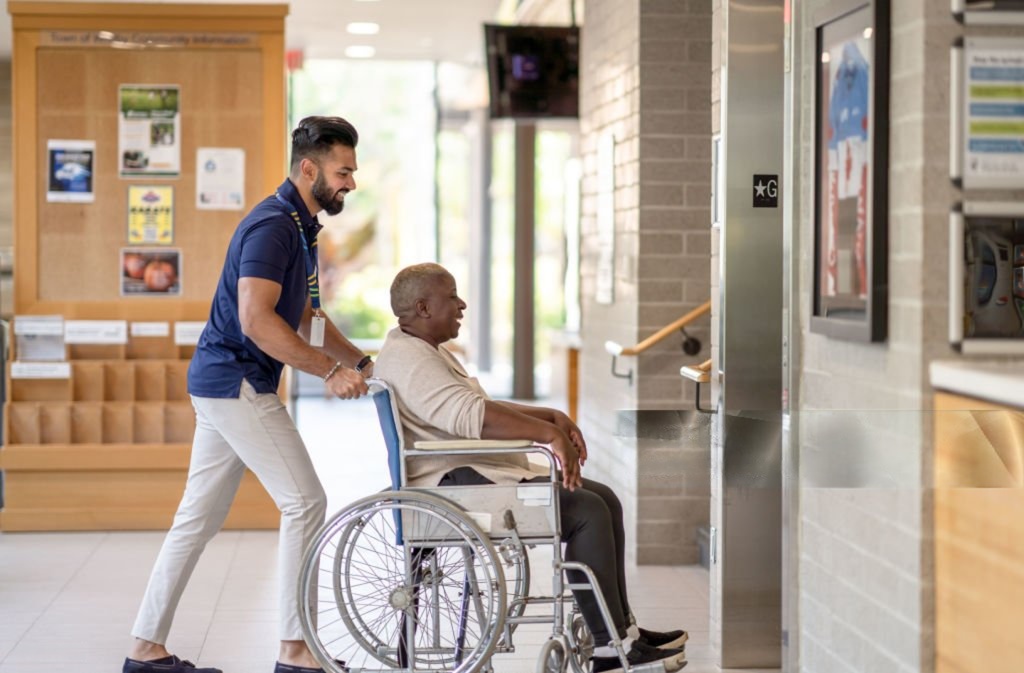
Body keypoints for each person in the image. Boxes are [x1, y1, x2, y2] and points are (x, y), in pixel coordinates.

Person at [124, 116, 375, 673]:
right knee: (305, 500)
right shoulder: (273, 228)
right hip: (237, 381)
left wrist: (358, 360)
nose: (350, 183)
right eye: (343, 171)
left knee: (197, 520)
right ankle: (295, 650)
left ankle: (144, 651)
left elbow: (307, 316)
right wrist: (329, 373)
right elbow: (258, 321)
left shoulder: (301, 227)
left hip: (222, 384)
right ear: (308, 169)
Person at [373, 263, 689, 673]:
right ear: (423, 307)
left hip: (468, 473)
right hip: (456, 484)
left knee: (604, 499)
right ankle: (609, 648)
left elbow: (479, 406)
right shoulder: (412, 360)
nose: (462, 303)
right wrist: (547, 436)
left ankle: (621, 631)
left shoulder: (418, 350)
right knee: (587, 512)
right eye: (452, 296)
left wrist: (548, 417)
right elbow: (474, 417)